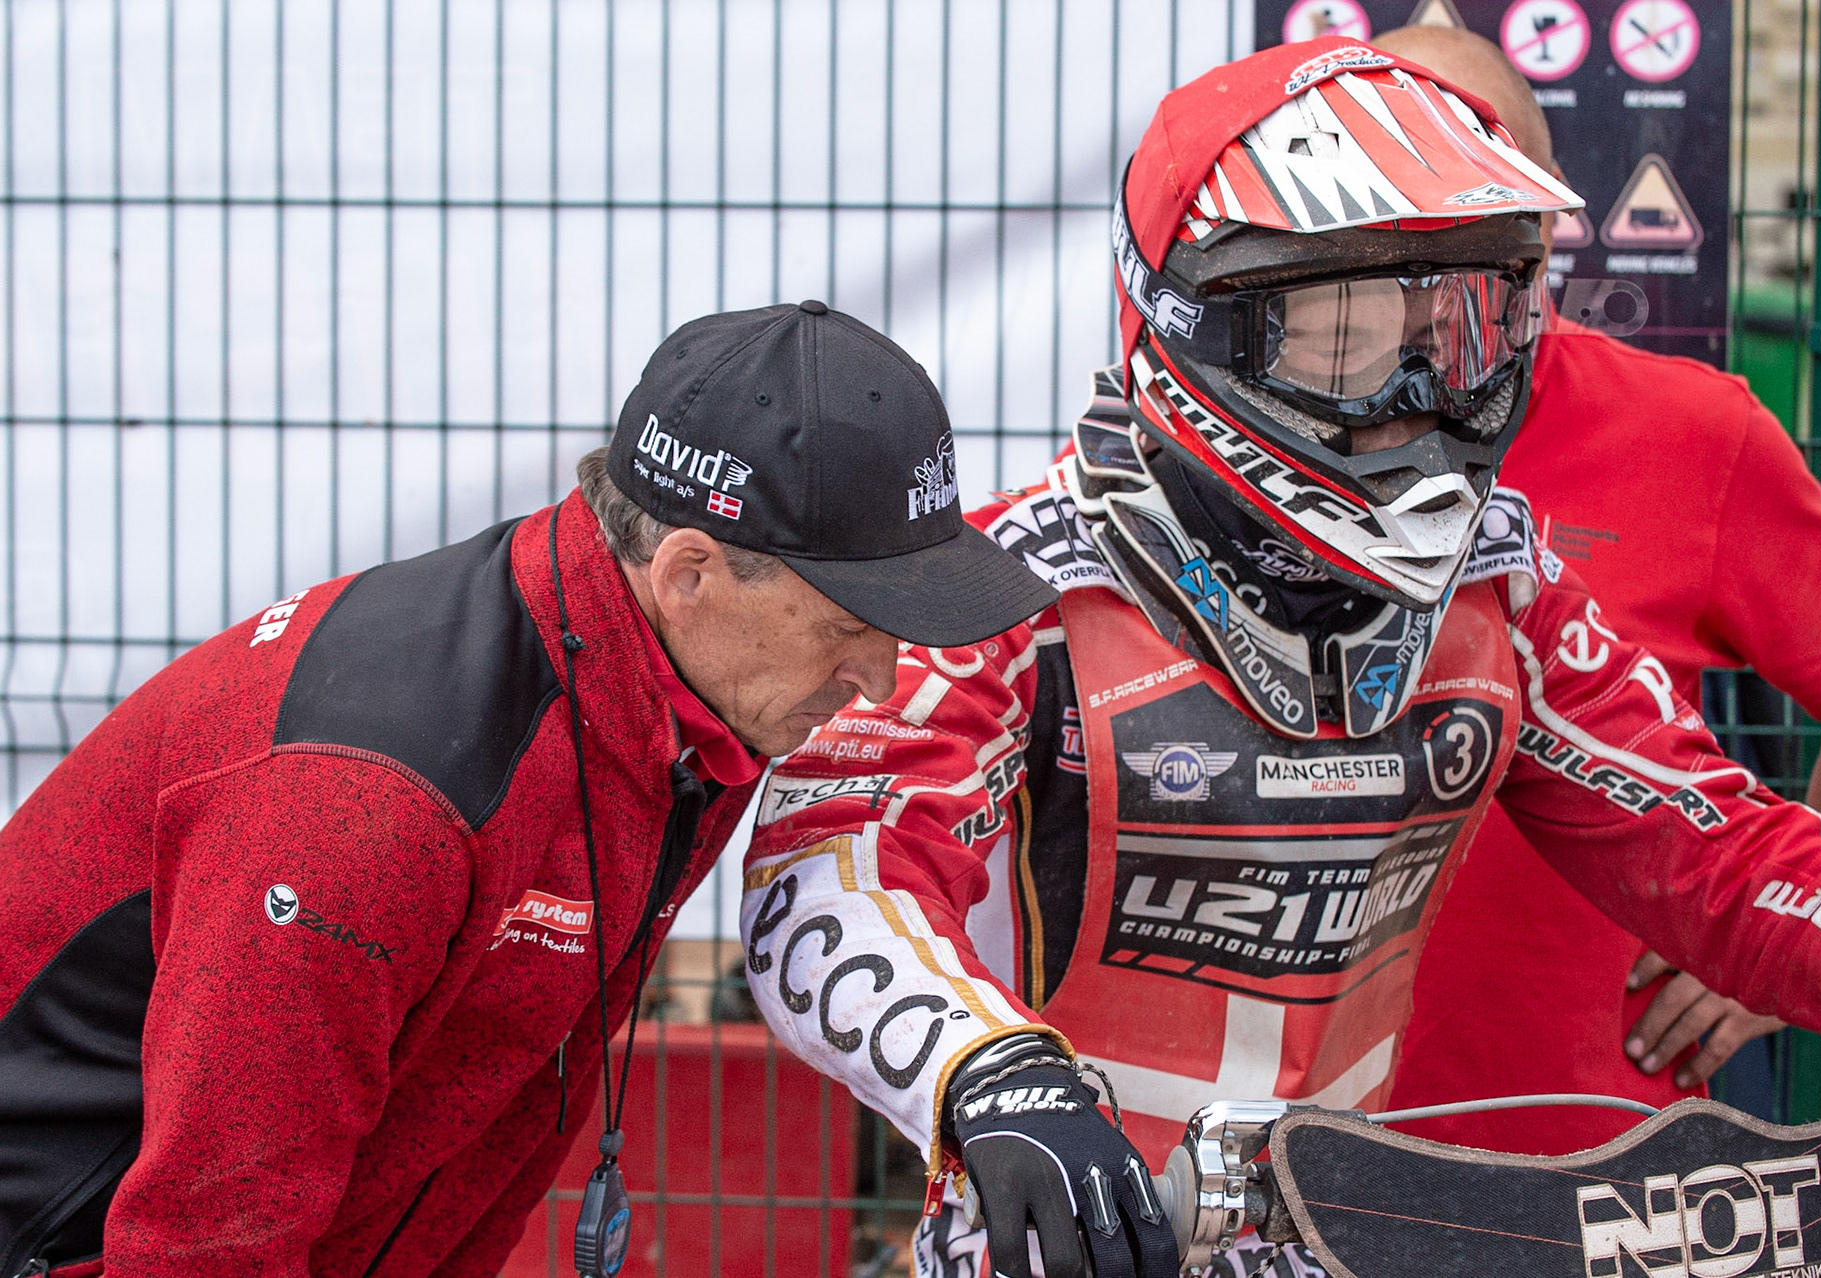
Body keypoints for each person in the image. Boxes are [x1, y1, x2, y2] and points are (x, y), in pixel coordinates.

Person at [737, 40, 1821, 1278]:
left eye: (1463, 327)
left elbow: (1718, 850)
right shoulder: (1030, 585)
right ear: (1198, 320)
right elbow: (830, 864)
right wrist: (985, 1070)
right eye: (1348, 334)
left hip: (1346, 1234)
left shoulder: (1497, 593)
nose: (1420, 394)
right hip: (1062, 1235)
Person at [0, 300, 1057, 1278]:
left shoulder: (682, 698)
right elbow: (209, 1233)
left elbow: (491, 1115)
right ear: (689, 574)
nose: (879, 679)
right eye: (848, 628)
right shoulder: (380, 794)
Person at [1370, 24, 1821, 1154]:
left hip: (1605, 1140)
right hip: (1306, 1143)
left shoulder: (1690, 432)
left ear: (1545, 217)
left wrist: (1785, 947)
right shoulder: (1244, 442)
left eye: (1480, 207)